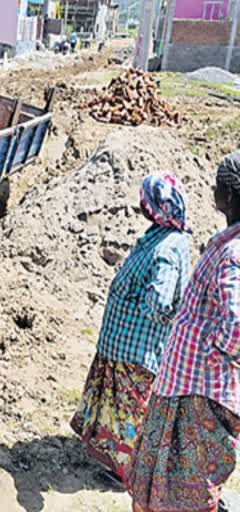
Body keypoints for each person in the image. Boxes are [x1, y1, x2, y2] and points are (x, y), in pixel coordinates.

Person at [126, 152, 240, 512]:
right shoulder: (229, 243)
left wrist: (206, 347)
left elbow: (237, 329)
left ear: (231, 196)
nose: (212, 188)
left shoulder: (235, 253)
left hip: (197, 393)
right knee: (166, 484)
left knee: (181, 492)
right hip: (186, 385)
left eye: (218, 184)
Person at [70, 172, 191, 483]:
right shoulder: (165, 234)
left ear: (154, 207)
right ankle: (116, 461)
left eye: (145, 200)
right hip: (123, 347)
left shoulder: (166, 249)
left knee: (129, 415)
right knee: (119, 411)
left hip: (135, 350)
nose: (141, 204)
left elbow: (162, 303)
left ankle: (126, 472)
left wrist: (134, 301)